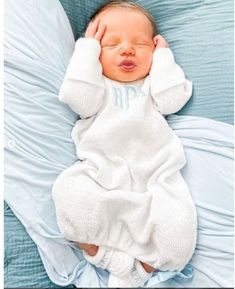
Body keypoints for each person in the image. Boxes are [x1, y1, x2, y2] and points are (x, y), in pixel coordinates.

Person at [52, 0, 197, 287]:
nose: (127, 49)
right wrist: (86, 49)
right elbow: (77, 97)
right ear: (94, 53)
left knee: (180, 241)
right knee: (66, 194)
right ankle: (111, 259)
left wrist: (164, 60)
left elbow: (172, 100)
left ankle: (139, 270)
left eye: (141, 44)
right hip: (102, 175)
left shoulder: (153, 87)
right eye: (111, 44)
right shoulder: (95, 88)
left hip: (156, 180)